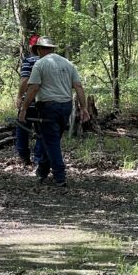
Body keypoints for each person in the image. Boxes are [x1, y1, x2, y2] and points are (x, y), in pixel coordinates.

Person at [18, 37, 90, 188]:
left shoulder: (40, 64)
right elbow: (78, 86)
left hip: (48, 107)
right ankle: (43, 171)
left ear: (39, 49)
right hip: (66, 107)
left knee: (51, 141)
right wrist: (83, 108)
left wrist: (23, 108)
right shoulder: (68, 64)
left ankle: (60, 175)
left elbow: (33, 88)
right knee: (51, 139)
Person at [15, 34, 41, 166]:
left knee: (22, 127)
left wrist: (20, 97)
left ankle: (23, 156)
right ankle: (38, 158)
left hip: (29, 101)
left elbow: (25, 80)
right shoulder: (48, 61)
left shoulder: (29, 61)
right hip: (44, 101)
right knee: (41, 130)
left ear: (31, 47)